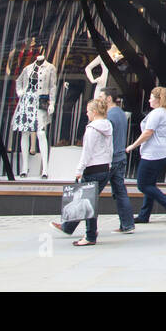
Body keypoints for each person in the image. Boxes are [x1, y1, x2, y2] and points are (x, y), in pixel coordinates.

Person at [53, 98, 112, 246]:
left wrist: (79, 170)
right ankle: (75, 229)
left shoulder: (92, 129)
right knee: (89, 202)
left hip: (93, 169)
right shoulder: (107, 125)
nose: (86, 114)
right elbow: (109, 148)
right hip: (105, 168)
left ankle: (90, 236)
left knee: (88, 204)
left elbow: (87, 152)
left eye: (87, 111)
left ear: (94, 112)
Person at [127, 86, 166, 224]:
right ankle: (144, 215)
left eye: (151, 97)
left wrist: (133, 145)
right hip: (164, 151)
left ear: (158, 99)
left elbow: (148, 132)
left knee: (142, 185)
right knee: (150, 184)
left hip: (152, 153)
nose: (149, 100)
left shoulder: (157, 113)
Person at [103, 89, 135, 233]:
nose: (99, 100)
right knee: (121, 192)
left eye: (101, 97)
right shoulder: (121, 113)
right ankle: (128, 224)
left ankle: (69, 225)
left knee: (89, 191)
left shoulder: (110, 115)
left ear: (109, 98)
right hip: (120, 156)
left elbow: (106, 138)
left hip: (111, 158)